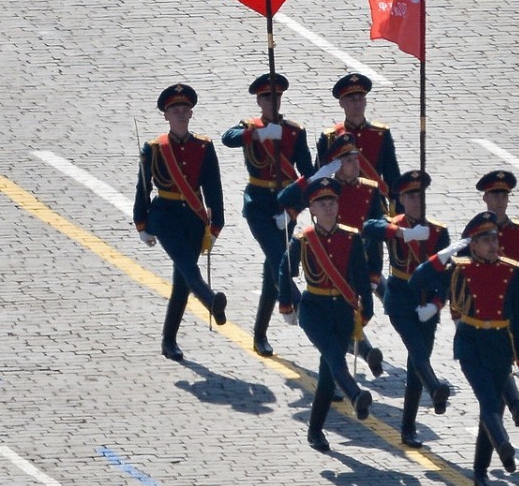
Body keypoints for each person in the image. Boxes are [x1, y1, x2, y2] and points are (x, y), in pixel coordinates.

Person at [414, 211, 519, 486]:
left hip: (500, 345)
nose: (493, 244)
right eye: (485, 240)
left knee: (493, 409)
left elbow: (518, 317)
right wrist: (446, 253)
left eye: (494, 238)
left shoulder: (511, 270)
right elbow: (418, 280)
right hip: (471, 345)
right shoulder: (459, 268)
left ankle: (480, 471)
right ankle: (504, 445)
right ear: (473, 244)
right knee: (488, 401)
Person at [279, 177, 376, 453]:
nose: (329, 207)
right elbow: (284, 270)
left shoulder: (350, 237)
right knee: (334, 356)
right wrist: (286, 305)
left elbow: (360, 276)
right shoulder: (304, 240)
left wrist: (366, 310)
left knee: (326, 374)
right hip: (314, 309)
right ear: (312, 208)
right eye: (322, 202)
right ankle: (356, 395)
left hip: (343, 312)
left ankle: (315, 429)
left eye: (332, 201)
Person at [221, 73, 314, 356]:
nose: (272, 103)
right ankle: (305, 310)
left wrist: (294, 210)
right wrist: (259, 134)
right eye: (266, 98)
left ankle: (259, 334)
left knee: (272, 272)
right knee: (279, 260)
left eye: (276, 98)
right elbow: (227, 138)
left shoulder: (295, 132)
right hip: (259, 205)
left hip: (284, 207)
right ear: (259, 102)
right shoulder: (250, 128)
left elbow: (308, 176)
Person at [134, 83, 227, 361]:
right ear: (166, 115)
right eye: (175, 109)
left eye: (185, 109)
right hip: (164, 216)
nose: (181, 113)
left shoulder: (204, 146)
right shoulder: (154, 148)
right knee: (188, 267)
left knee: (182, 282)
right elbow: (143, 187)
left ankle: (168, 340)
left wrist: (216, 225)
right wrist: (142, 224)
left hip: (194, 218)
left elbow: (214, 188)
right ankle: (211, 301)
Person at [363, 171, 452, 446]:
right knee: (416, 349)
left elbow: (448, 276)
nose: (417, 201)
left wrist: (437, 304)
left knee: (417, 363)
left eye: (421, 196)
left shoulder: (438, 231)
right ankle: (435, 388)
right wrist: (403, 233)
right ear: (401, 199)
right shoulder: (394, 226)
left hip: (426, 302)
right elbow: (368, 227)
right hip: (400, 298)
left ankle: (407, 427)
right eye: (412, 196)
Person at [477, 170, 519, 425]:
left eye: (504, 195)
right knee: (500, 362)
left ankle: (499, 422)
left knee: (502, 363)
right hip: (485, 311)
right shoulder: (475, 232)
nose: (500, 200)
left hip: (514, 310)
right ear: (485, 198)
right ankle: (514, 407)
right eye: (495, 194)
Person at [316, 75, 402, 201]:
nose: (357, 104)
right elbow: (319, 176)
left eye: (360, 98)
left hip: (374, 202)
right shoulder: (331, 137)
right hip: (341, 202)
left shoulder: (381, 134)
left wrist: (398, 207)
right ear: (341, 103)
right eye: (352, 99)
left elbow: (391, 173)